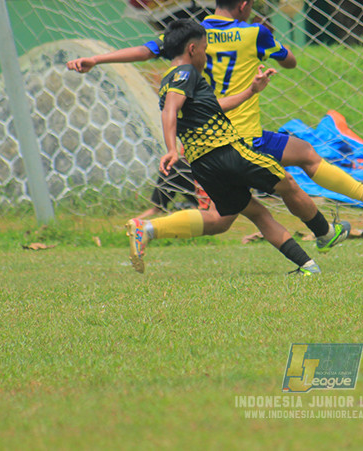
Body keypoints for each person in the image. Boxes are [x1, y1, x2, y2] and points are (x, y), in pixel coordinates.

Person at [138, 18, 323, 275]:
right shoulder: (186, 73)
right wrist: (170, 148)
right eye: (204, 49)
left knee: (257, 213)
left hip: (203, 166)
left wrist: (251, 90)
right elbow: (171, 109)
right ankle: (326, 233)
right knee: (288, 183)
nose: (205, 55)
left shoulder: (169, 80)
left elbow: (212, 106)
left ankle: (307, 266)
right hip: (227, 151)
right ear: (192, 49)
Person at [202, 0, 363, 231]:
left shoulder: (195, 33)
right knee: (305, 156)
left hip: (208, 138)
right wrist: (266, 42)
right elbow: (290, 62)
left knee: (221, 220)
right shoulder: (254, 33)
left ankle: (147, 228)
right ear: (244, 5)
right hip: (244, 137)